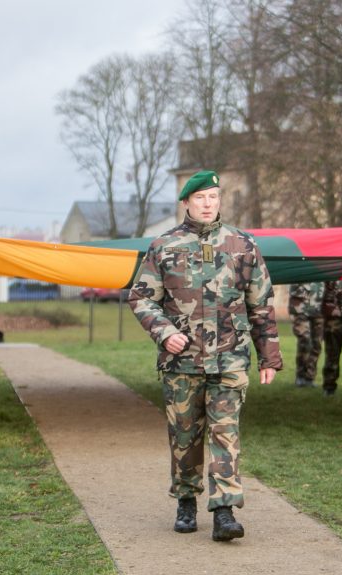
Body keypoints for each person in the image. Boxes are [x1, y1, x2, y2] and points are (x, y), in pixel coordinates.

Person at [129, 170, 283, 542]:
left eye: (213, 197)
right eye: (200, 198)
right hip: (181, 363)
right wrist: (165, 334)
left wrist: (269, 357)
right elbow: (141, 297)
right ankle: (185, 499)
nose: (208, 203)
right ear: (186, 203)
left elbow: (260, 303)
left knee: (224, 433)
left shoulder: (242, 244)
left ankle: (224, 511)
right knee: (185, 435)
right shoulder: (164, 246)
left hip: (230, 358)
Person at [287, 282, 324, 387]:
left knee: (317, 344)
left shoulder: (322, 270)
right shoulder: (300, 267)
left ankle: (309, 378)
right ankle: (300, 375)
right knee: (305, 340)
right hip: (300, 309)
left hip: (318, 310)